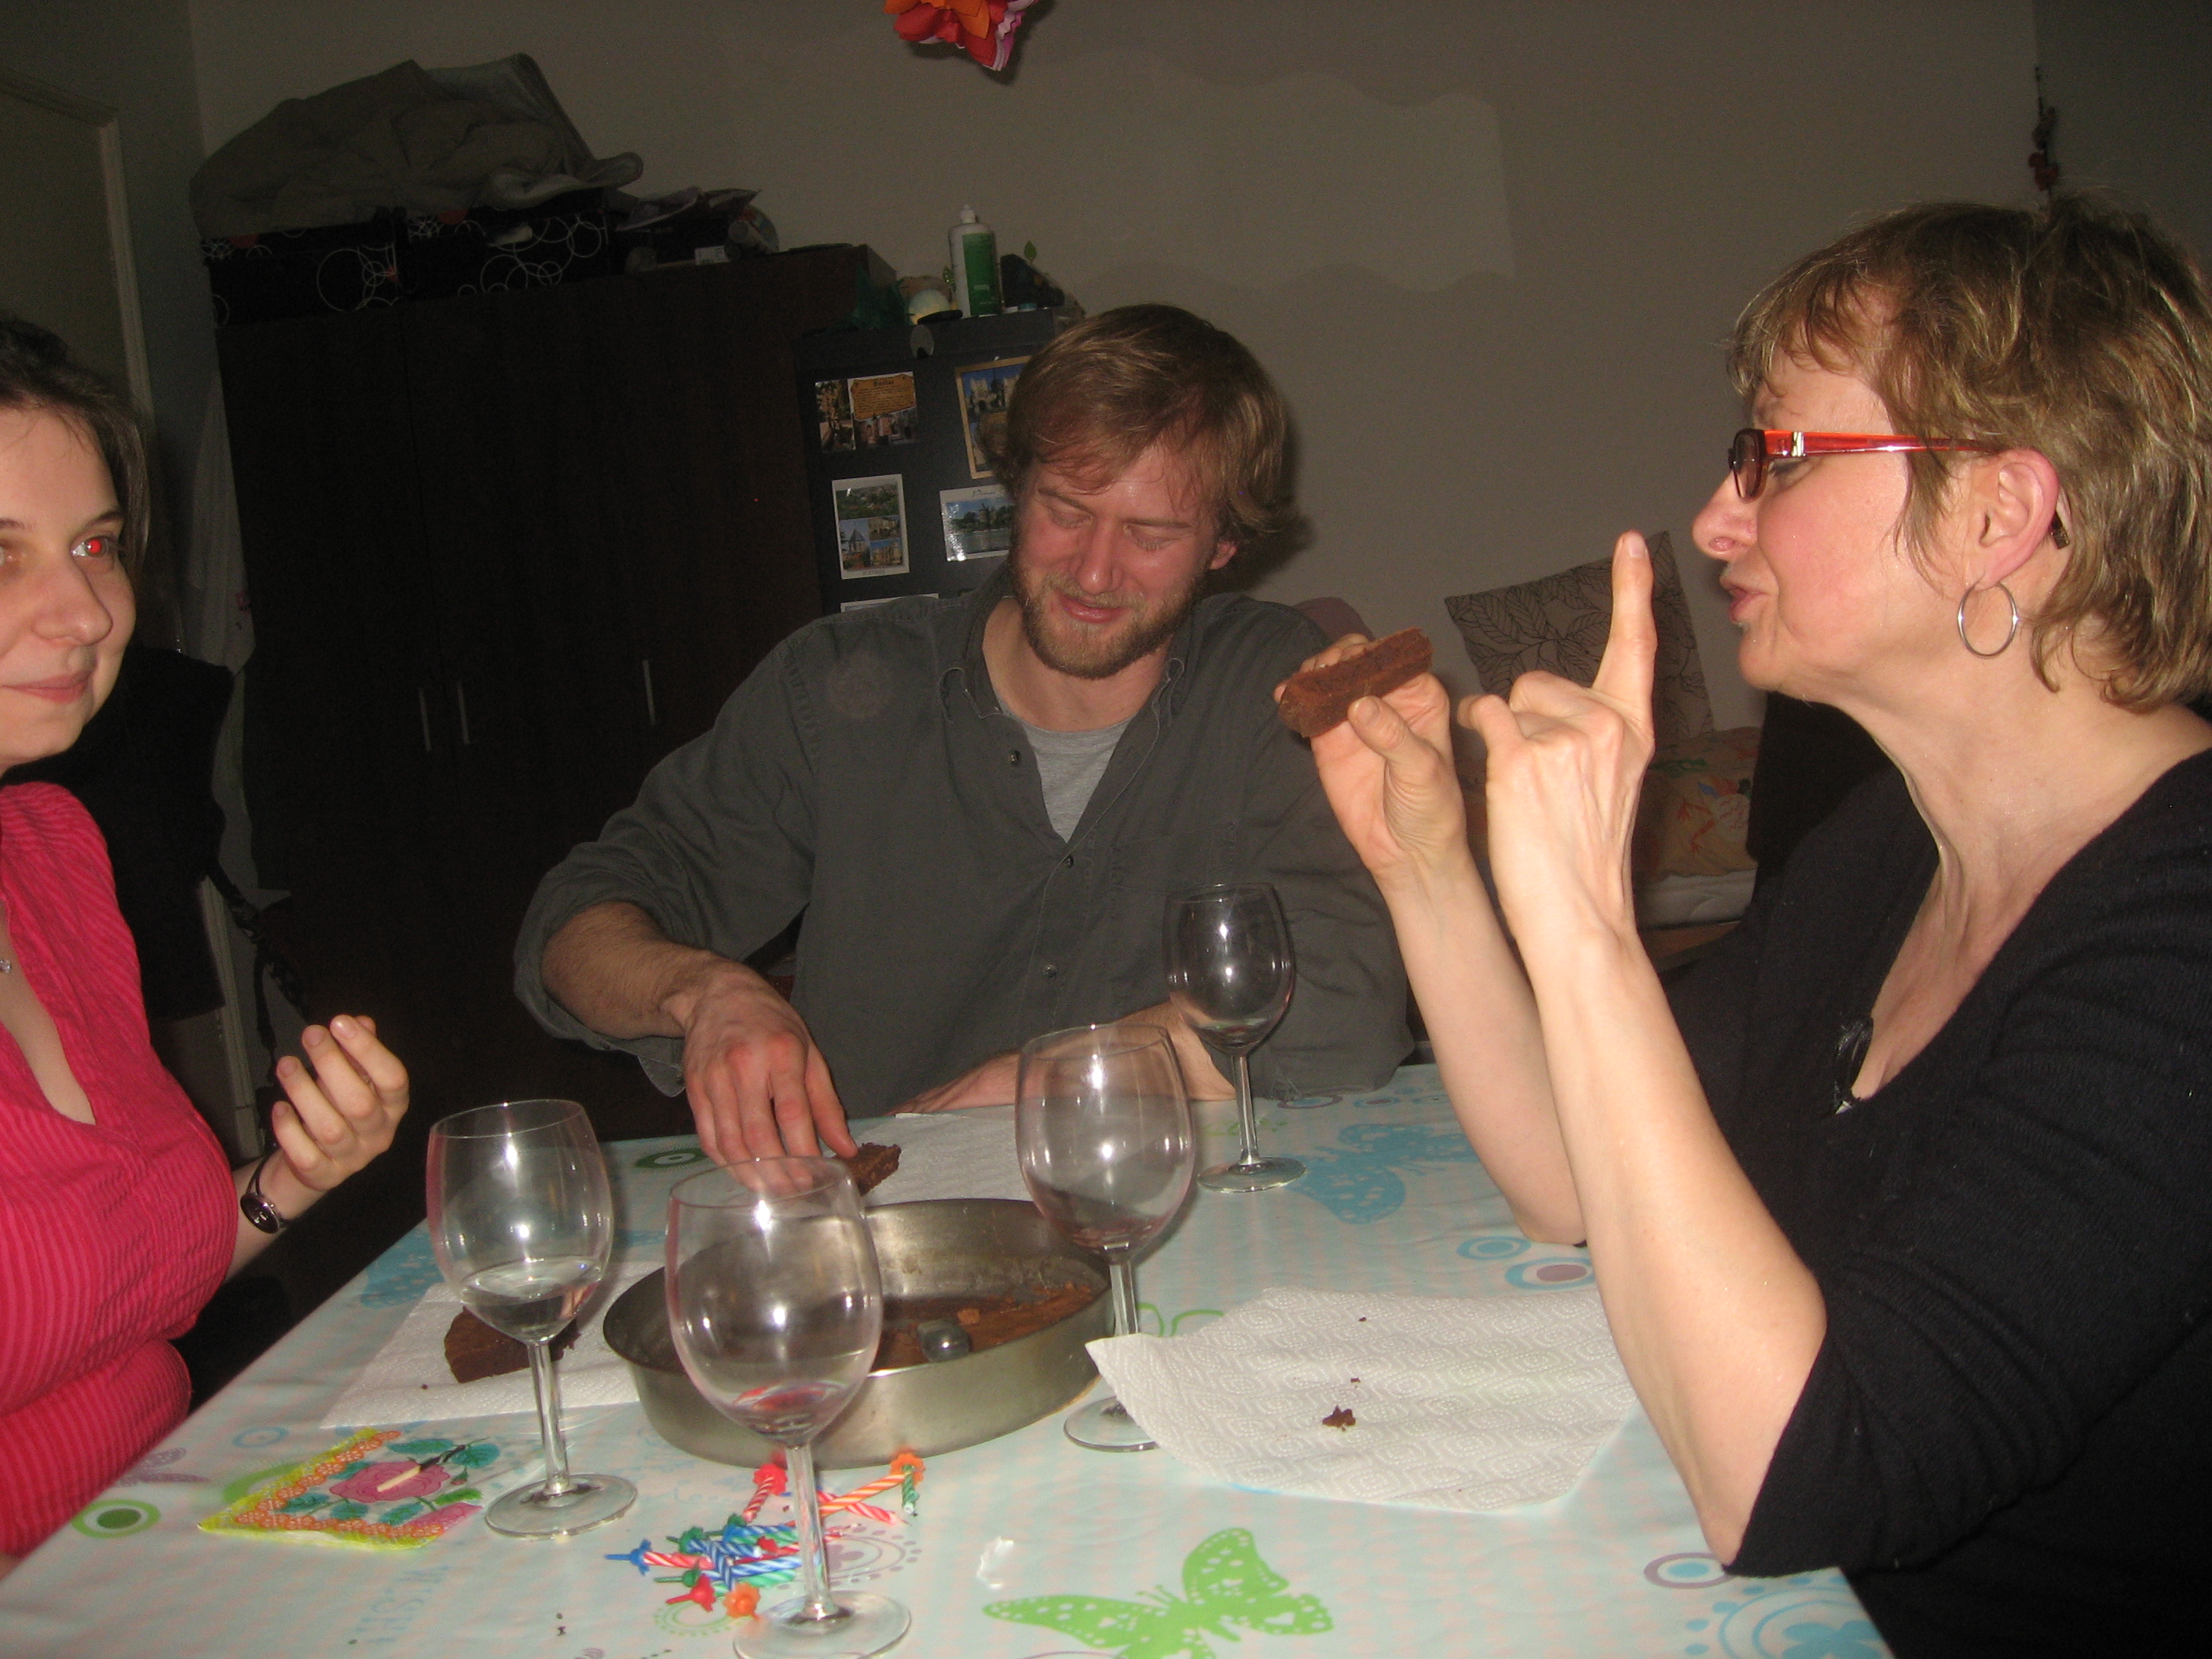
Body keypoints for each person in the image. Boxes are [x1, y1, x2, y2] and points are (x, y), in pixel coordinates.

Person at [1303, 197, 2212, 1657]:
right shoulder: (1887, 850)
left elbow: (1804, 1478)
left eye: (1778, 455)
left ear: (1998, 514)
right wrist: (1426, 867)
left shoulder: (2183, 934)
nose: (1722, 516)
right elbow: (1576, 1174)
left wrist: (1589, 926)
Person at [517, 304, 1408, 1163]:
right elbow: (570, 927)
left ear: (1222, 546)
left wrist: (1056, 1076)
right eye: (1065, 511)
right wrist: (702, 991)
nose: (1095, 571)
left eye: (1150, 535)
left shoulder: (1270, 688)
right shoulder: (830, 688)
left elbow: (1348, 1014)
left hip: (1176, 1211)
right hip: (890, 1225)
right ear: (1015, 489)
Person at [0, 320, 408, 1572]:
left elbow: (120, 1283)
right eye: (0, 557)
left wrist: (295, 1175)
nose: (86, 610)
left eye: (96, 545)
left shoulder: (51, 852)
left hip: (166, 1542)